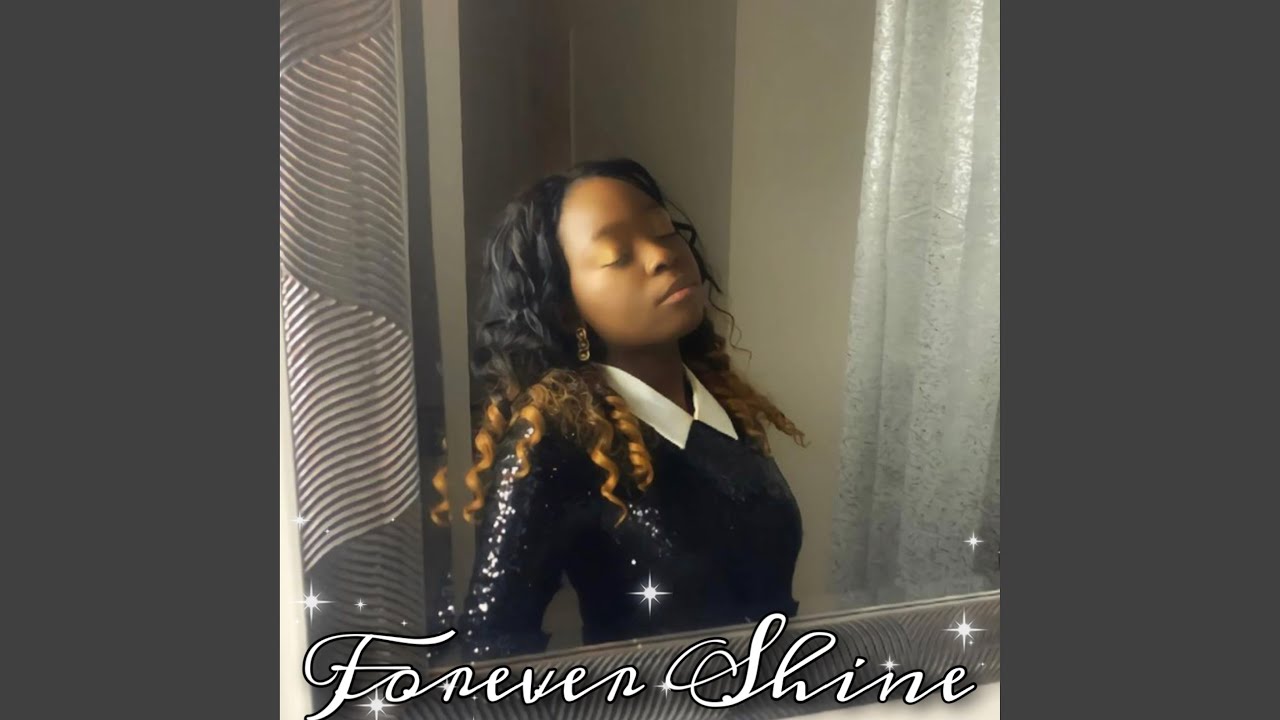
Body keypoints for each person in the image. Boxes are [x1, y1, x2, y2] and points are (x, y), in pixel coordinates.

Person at [441, 157, 808, 662]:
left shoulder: (723, 406)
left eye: (664, 232)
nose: (662, 256)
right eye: (617, 255)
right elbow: (491, 647)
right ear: (566, 308)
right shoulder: (552, 440)